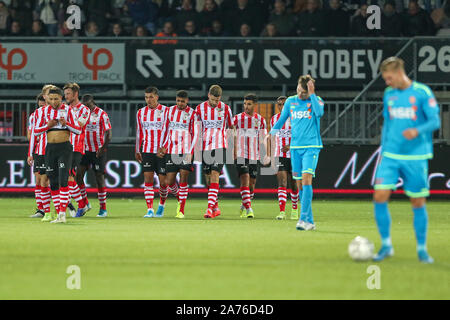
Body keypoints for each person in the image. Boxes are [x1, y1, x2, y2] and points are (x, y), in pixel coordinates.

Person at [372, 57, 440, 264]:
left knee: (417, 201)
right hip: (391, 155)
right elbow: (387, 122)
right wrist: (383, 150)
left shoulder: (422, 93)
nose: (387, 82)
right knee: (380, 196)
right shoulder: (389, 94)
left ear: (399, 73)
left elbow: (435, 121)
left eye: (389, 77)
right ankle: (386, 245)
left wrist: (416, 131)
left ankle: (421, 250)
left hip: (416, 156)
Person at [269, 75, 324, 231]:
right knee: (299, 183)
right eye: (300, 91)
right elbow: (281, 119)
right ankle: (310, 221)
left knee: (306, 180)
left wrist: (312, 94)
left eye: (305, 93)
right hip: (295, 148)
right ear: (298, 87)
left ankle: (302, 219)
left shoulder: (317, 100)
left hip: (311, 146)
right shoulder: (291, 101)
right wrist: (271, 133)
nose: (301, 95)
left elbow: (319, 113)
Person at [32, 87, 81, 223]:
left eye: (56, 99)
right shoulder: (44, 111)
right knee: (52, 181)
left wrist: (67, 124)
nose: (54, 102)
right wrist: (47, 126)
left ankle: (62, 214)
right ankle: (59, 212)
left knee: (63, 180)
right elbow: (35, 132)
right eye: (51, 99)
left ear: (61, 98)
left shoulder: (68, 110)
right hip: (50, 149)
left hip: (64, 148)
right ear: (48, 99)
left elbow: (78, 130)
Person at [195, 85, 234, 219]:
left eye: (217, 101)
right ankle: (215, 206)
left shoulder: (226, 109)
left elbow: (231, 127)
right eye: (213, 100)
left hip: (220, 145)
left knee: (215, 173)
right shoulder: (199, 109)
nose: (215, 103)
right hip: (205, 146)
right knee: (208, 178)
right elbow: (197, 129)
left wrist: (231, 146)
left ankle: (209, 208)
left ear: (220, 98)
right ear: (208, 96)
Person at [159, 90, 198, 219]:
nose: (180, 103)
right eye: (178, 101)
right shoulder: (169, 111)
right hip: (172, 150)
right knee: (169, 181)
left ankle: (181, 210)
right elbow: (165, 129)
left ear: (187, 101)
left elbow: (195, 134)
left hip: (186, 150)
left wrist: (191, 152)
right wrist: (163, 145)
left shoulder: (192, 114)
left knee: (183, 179)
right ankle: (179, 198)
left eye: (182, 101)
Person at [75, 95, 112, 218]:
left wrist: (103, 148)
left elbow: (109, 133)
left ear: (93, 102)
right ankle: (85, 203)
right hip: (84, 150)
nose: (86, 107)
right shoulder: (80, 113)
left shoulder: (101, 114)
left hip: (98, 150)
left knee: (99, 178)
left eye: (88, 105)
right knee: (78, 176)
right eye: (84, 105)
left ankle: (103, 209)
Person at [233, 94, 269, 219]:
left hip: (254, 155)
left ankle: (244, 204)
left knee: (252, 184)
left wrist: (266, 155)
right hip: (240, 154)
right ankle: (249, 209)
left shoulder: (261, 120)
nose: (246, 106)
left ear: (255, 105)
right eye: (244, 104)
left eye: (249, 104)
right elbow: (230, 135)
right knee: (245, 178)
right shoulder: (236, 119)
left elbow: (264, 139)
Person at [135, 87, 169, 218]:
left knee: (163, 182)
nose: (148, 100)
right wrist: (138, 149)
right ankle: (150, 209)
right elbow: (139, 132)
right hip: (147, 150)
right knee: (148, 179)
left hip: (161, 151)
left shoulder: (166, 111)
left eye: (151, 97)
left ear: (157, 97)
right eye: (146, 97)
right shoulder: (140, 112)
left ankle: (161, 205)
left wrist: (165, 147)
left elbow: (169, 131)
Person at [268, 96, 300, 220]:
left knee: (294, 183)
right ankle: (282, 211)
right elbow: (272, 138)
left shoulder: (296, 119)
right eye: (279, 104)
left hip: (294, 155)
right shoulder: (274, 119)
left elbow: (301, 136)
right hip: (279, 155)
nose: (281, 107)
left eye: (283, 104)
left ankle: (294, 209)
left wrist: (290, 146)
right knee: (282, 182)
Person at [63, 83, 91, 217]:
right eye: (65, 94)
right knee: (67, 176)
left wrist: (65, 123)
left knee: (69, 175)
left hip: (77, 147)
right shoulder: (64, 108)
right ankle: (82, 204)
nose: (66, 96)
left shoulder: (84, 110)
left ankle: (81, 205)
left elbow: (80, 126)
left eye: (68, 93)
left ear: (75, 94)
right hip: (64, 146)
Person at [28, 93, 50, 218]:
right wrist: (30, 153)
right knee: (38, 179)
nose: (42, 106)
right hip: (39, 151)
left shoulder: (56, 113)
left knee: (46, 180)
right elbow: (31, 135)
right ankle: (41, 209)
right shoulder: (34, 115)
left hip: (51, 150)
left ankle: (63, 204)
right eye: (40, 104)